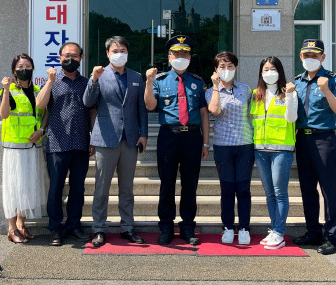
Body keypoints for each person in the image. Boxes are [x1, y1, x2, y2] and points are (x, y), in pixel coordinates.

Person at [144, 35, 210, 246]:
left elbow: (204, 113)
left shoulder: (198, 82)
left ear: (190, 57)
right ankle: (165, 227)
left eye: (185, 53)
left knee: (190, 184)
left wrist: (206, 142)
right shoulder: (160, 80)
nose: (181, 57)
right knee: (167, 184)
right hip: (168, 136)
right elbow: (150, 106)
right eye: (177, 53)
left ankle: (188, 227)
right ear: (169, 56)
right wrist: (149, 82)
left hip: (192, 136)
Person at [83, 36, 148, 247]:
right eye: (115, 50)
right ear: (108, 53)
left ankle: (127, 227)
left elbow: (141, 109)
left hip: (129, 139)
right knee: (102, 187)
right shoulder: (99, 76)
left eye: (123, 49)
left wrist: (143, 134)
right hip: (105, 138)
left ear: (127, 53)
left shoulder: (136, 77)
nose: (119, 53)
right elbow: (88, 102)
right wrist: (93, 80)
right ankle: (99, 228)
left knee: (127, 188)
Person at [292, 39, 336, 255]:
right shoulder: (296, 82)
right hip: (302, 140)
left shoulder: (332, 79)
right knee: (307, 190)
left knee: (328, 190)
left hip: (324, 139)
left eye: (315, 56)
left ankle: (331, 237)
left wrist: (326, 91)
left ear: (322, 57)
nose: (310, 59)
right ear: (300, 57)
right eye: (306, 56)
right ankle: (313, 232)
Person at [36, 42, 94, 246]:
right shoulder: (52, 80)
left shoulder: (87, 83)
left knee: (78, 188)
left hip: (80, 142)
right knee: (56, 189)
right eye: (66, 55)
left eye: (75, 56)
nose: (70, 59)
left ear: (81, 58)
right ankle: (55, 228)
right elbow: (40, 104)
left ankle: (74, 225)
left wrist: (93, 137)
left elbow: (92, 111)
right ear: (59, 58)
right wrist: (50, 82)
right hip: (57, 142)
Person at [206, 51, 254, 245]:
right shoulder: (210, 91)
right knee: (227, 189)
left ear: (236, 68)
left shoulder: (246, 89)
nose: (226, 70)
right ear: (216, 70)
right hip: (223, 146)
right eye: (222, 67)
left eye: (230, 66)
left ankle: (244, 227)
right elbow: (214, 110)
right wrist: (217, 86)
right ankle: (227, 227)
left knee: (243, 189)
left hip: (245, 144)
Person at [250, 56, 298, 250]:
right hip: (260, 149)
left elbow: (292, 117)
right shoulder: (256, 94)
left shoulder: (288, 92)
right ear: (261, 73)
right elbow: (253, 119)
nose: (269, 73)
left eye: (272, 69)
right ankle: (274, 229)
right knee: (269, 193)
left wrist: (291, 97)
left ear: (279, 71)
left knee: (280, 192)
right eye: (265, 69)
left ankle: (279, 231)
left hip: (281, 150)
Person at [0, 53, 47, 244]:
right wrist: (4, 89)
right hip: (15, 147)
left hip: (33, 145)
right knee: (14, 188)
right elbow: (4, 114)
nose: (23, 69)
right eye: (19, 67)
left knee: (27, 187)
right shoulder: (8, 89)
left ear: (33, 69)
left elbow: (45, 113)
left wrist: (41, 131)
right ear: (13, 70)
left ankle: (21, 224)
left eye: (27, 66)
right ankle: (11, 228)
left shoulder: (37, 90)